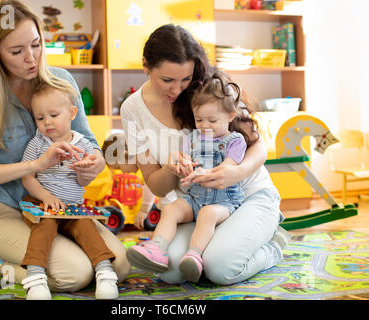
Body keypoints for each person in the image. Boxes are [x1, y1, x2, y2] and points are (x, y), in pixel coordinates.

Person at [0, 0, 130, 293]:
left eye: (36, 44)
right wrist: (34, 166)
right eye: (17, 51)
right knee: (75, 275)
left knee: (118, 266)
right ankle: (1, 264)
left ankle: (23, 263)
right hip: (6, 209)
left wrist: (94, 163)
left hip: (62, 208)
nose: (31, 58)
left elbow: (89, 141)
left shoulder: (61, 81)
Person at [120, 24, 291, 285]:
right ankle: (220, 244)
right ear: (146, 65)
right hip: (195, 204)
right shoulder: (132, 110)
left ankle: (272, 246)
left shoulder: (211, 89)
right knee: (170, 271)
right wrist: (170, 169)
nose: (177, 90)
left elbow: (258, 146)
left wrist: (237, 172)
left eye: (185, 79)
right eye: (167, 80)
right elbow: (154, 182)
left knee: (219, 269)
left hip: (247, 196)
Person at [126, 71, 248, 282]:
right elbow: (185, 158)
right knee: (171, 209)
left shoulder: (235, 141)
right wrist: (181, 163)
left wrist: (207, 172)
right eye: (199, 119)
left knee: (207, 214)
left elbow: (229, 166)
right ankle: (157, 248)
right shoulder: (191, 137)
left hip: (223, 202)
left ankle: (195, 254)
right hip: (194, 198)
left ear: (230, 116)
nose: (204, 125)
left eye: (212, 120)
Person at [20, 83, 119, 300]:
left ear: (72, 113)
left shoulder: (83, 145)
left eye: (53, 115)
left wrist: (85, 172)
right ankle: (35, 277)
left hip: (73, 208)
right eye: (39, 118)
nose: (47, 122)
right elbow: (27, 176)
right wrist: (46, 196)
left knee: (88, 229)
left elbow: (86, 181)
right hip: (43, 204)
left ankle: (105, 272)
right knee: (43, 228)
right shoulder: (37, 143)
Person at [102, 130, 156, 230]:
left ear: (125, 155)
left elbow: (151, 184)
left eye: (118, 167)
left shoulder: (143, 159)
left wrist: (144, 210)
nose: (122, 172)